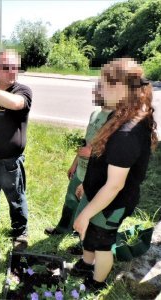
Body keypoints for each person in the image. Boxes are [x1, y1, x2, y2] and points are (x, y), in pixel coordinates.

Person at [71, 58, 158, 292]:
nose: (99, 88)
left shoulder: (127, 132)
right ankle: (85, 263)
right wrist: (87, 186)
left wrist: (85, 215)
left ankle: (96, 282)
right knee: (91, 234)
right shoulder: (119, 115)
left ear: (119, 86)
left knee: (102, 242)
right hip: (99, 192)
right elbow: (100, 162)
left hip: (112, 202)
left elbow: (114, 186)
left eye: (103, 84)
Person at [45, 82, 113, 235]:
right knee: (70, 200)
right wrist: (74, 164)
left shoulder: (113, 119)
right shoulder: (95, 114)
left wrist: (92, 153)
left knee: (87, 205)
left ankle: (82, 238)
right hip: (81, 169)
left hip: (95, 172)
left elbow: (113, 151)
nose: (96, 93)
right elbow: (86, 143)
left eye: (99, 91)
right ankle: (63, 228)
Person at [0, 49, 32, 246]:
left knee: (16, 197)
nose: (11, 72)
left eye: (15, 68)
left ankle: (20, 231)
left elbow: (16, 104)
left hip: (10, 161)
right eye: (6, 67)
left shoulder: (22, 91)